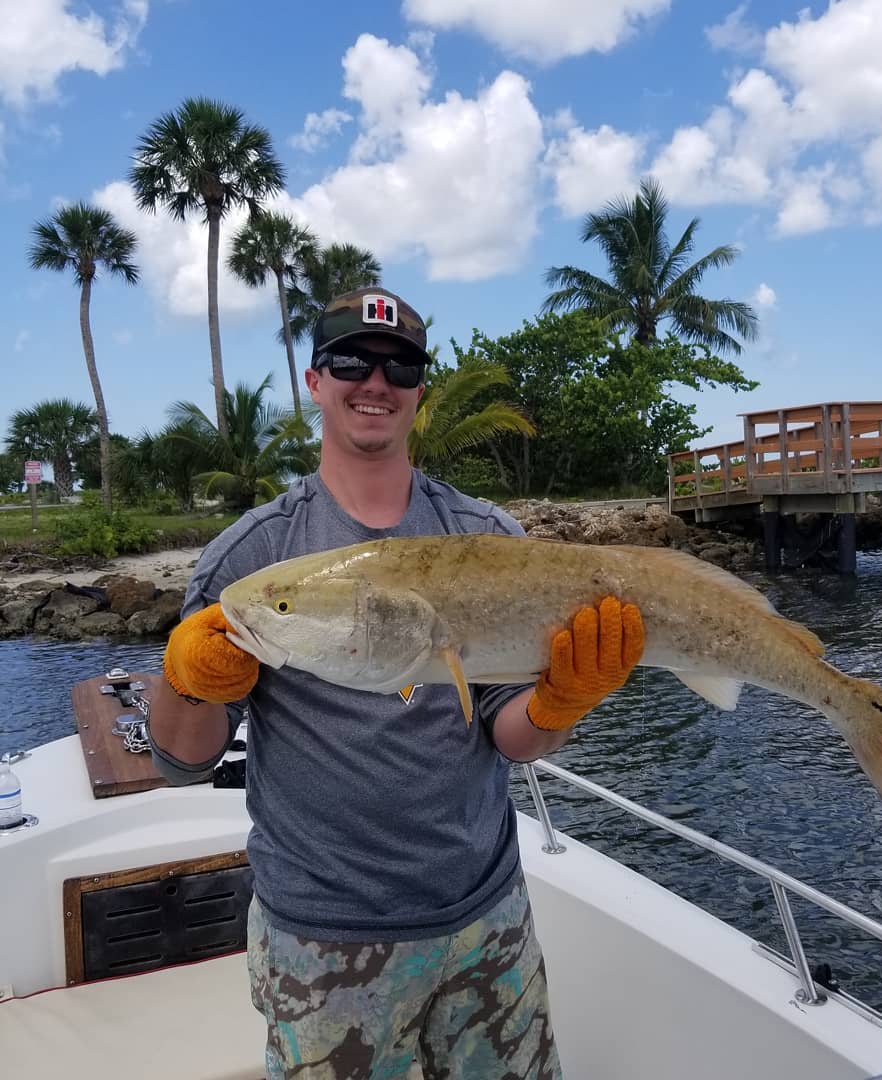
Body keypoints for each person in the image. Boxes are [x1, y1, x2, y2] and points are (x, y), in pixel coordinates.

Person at [149, 286, 645, 1080]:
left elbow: (509, 736)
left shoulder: (488, 539)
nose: (374, 381)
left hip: (488, 919)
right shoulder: (251, 563)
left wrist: (563, 701)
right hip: (320, 940)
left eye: (400, 365)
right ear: (315, 380)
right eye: (351, 360)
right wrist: (189, 681)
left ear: (419, 390)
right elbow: (182, 760)